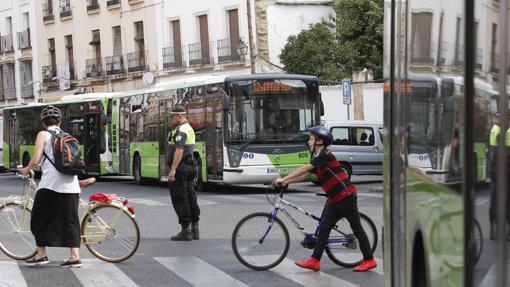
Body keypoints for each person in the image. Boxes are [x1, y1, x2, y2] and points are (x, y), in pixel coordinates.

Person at [273, 125, 377, 272]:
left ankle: (369, 259)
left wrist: (283, 180)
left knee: (357, 229)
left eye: (311, 139)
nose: (308, 142)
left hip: (346, 196)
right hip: (334, 198)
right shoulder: (317, 156)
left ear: (319, 141)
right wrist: (285, 181)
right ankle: (315, 260)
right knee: (323, 229)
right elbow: (306, 175)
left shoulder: (325, 155)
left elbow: (304, 169)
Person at [21, 105, 82, 268]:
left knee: (38, 218)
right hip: (72, 184)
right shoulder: (67, 135)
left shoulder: (43, 134)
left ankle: (41, 255)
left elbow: (35, 159)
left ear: (43, 123)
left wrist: (25, 170)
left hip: (51, 185)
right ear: (60, 121)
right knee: (71, 221)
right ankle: (74, 257)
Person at [167, 105, 200, 241]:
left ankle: (186, 231)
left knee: (180, 198)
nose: (171, 119)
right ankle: (195, 229)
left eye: (172, 116)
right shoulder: (189, 128)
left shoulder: (181, 130)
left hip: (181, 169)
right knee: (191, 197)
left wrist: (173, 169)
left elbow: (179, 150)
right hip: (190, 167)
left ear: (179, 116)